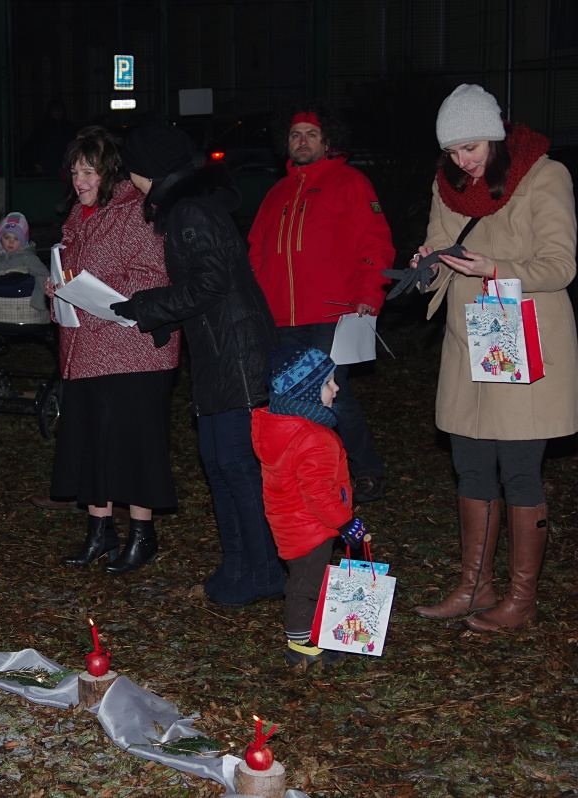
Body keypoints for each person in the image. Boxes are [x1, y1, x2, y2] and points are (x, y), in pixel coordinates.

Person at [410, 84, 577, 632]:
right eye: (452, 151)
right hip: (468, 345)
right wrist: (426, 267)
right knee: (472, 466)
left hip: (526, 345)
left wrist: (496, 269)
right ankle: (474, 585)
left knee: (520, 472)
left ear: (496, 136)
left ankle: (521, 599)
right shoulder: (448, 186)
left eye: (471, 147)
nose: (462, 160)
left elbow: (560, 265)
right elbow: (440, 253)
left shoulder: (545, 176)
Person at [111, 123, 285, 605]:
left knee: (236, 468)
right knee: (219, 465)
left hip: (236, 355)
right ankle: (238, 568)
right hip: (219, 354)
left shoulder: (189, 211)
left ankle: (263, 572)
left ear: (148, 170)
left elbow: (210, 283)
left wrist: (149, 306)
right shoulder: (190, 206)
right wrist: (159, 311)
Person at [48, 125, 181, 574]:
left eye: (89, 172)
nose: (80, 181)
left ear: (109, 173)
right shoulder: (76, 216)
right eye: (75, 173)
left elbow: (155, 276)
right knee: (91, 442)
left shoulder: (136, 211)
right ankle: (99, 532)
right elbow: (69, 271)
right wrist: (59, 288)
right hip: (85, 349)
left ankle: (142, 535)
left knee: (134, 444)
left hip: (133, 350)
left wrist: (96, 291)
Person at [247, 104, 392, 504]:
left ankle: (366, 470)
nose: (303, 141)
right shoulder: (276, 193)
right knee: (289, 397)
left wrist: (369, 294)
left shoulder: (350, 182)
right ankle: (307, 473)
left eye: (311, 134)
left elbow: (375, 243)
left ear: (328, 140)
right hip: (281, 317)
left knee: (333, 394)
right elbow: (256, 252)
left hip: (332, 313)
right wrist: (255, 303)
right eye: (296, 134)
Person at [252, 347, 367, 669]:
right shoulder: (315, 438)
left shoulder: (280, 428)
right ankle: (299, 644)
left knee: (306, 579)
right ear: (307, 392)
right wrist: (345, 522)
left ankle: (311, 633)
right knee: (306, 585)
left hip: (287, 521)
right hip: (311, 527)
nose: (336, 388)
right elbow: (318, 494)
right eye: (328, 382)